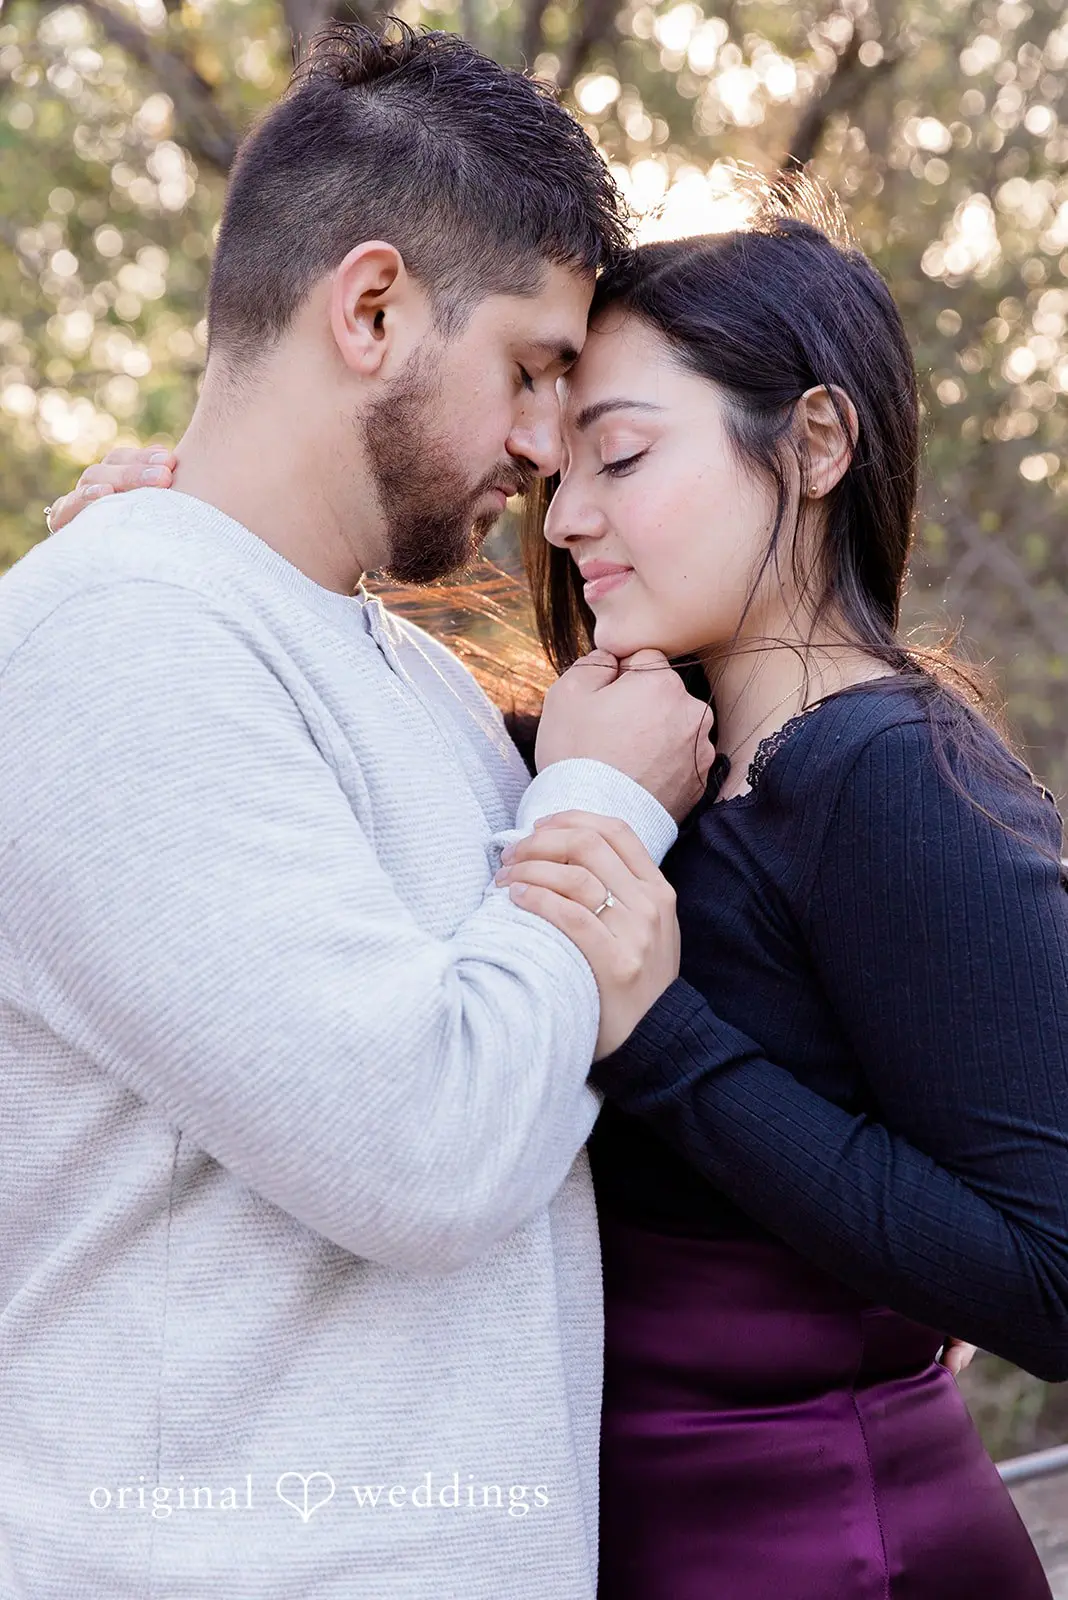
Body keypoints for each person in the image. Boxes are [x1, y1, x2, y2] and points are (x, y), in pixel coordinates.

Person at [0, 24, 717, 1599]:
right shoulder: (115, 641)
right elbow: (425, 1147)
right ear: (373, 307)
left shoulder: (392, 671)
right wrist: (603, 802)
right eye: (532, 371)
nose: (547, 450)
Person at [488, 193, 1068, 1596]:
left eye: (623, 455)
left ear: (813, 443)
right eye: (561, 468)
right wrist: (205, 533)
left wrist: (664, 1038)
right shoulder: (658, 763)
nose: (566, 517)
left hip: (838, 1547)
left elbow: (1053, 1277)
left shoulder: (890, 775)